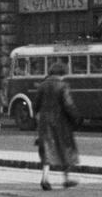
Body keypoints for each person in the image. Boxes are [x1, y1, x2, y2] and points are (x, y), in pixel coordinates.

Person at [32, 61, 81, 189]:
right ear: (63, 73)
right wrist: (76, 117)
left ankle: (45, 178)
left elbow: (35, 105)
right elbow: (68, 104)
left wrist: (39, 116)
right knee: (65, 148)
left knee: (47, 149)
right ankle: (66, 178)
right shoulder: (63, 86)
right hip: (60, 122)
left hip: (44, 122)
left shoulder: (42, 85)